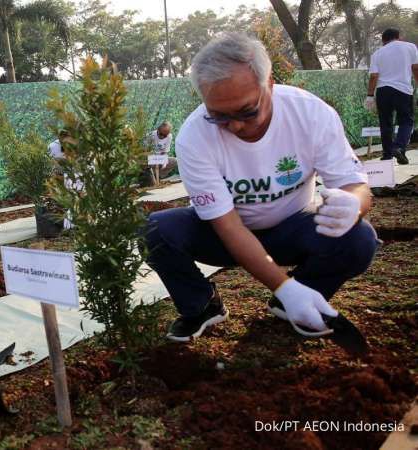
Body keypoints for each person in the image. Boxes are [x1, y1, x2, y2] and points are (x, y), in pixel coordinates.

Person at [145, 33, 378, 342]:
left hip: (291, 229)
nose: (236, 126)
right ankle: (201, 305)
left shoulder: (309, 113)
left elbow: (355, 185)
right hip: (223, 236)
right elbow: (228, 227)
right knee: (157, 231)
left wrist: (354, 203)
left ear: (269, 84)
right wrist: (283, 284)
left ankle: (297, 299)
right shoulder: (194, 137)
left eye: (247, 111)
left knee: (359, 238)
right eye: (219, 116)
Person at [365, 28, 418, 165]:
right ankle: (399, 147)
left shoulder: (377, 53)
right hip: (403, 91)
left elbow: (374, 76)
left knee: (385, 123)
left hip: (383, 92)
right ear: (399, 36)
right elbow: (416, 68)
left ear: (383, 40)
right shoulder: (410, 47)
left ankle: (387, 154)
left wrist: (370, 96)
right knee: (406, 121)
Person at [141, 122, 178, 186]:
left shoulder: (169, 136)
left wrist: (164, 162)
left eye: (165, 135)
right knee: (146, 166)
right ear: (158, 130)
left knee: (175, 161)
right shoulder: (150, 135)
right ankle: (150, 177)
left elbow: (165, 151)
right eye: (161, 134)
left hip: (160, 158)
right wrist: (152, 158)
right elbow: (144, 151)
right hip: (149, 159)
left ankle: (157, 176)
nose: (162, 137)